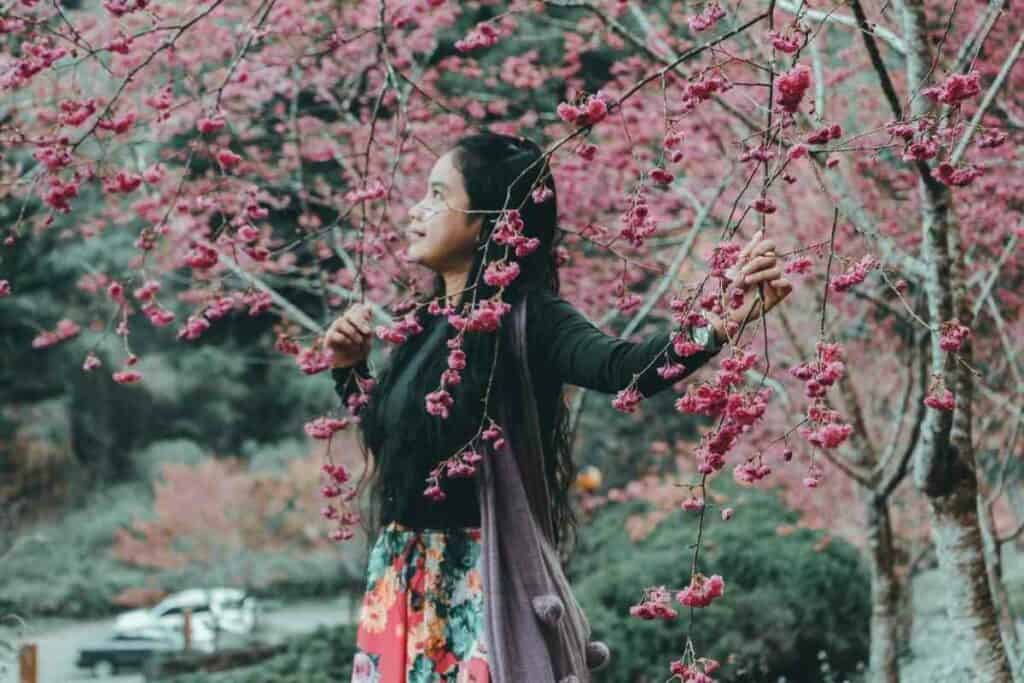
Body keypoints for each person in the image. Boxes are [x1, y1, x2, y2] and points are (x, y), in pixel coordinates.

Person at [325, 130, 793, 682]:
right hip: (404, 580)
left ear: (487, 220)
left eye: (436, 195)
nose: (414, 211)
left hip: (485, 581)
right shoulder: (421, 324)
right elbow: (394, 439)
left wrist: (719, 324)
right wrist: (349, 367)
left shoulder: (530, 317)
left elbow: (623, 370)